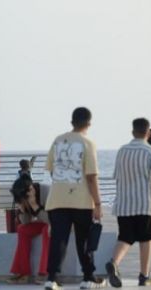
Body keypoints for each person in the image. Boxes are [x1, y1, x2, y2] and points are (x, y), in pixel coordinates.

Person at [105, 118, 151, 288]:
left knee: (125, 237)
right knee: (146, 239)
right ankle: (144, 276)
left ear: (132, 132)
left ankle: (114, 262)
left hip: (123, 204)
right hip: (145, 203)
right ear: (148, 133)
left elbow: (117, 177)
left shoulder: (122, 151)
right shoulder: (150, 151)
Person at [44, 107, 105, 290]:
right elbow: (91, 176)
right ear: (89, 123)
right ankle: (87, 278)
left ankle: (51, 278)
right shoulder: (88, 143)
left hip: (57, 200)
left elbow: (52, 170)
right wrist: (98, 203)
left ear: (72, 122)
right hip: (81, 201)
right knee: (83, 241)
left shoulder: (58, 141)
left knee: (58, 240)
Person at [8, 175, 51, 284]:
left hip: (59, 223)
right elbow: (26, 222)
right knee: (22, 229)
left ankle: (45, 272)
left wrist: (34, 206)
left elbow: (51, 221)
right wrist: (22, 210)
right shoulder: (24, 198)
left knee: (47, 230)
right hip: (45, 221)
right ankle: (23, 272)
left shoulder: (46, 192)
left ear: (30, 190)